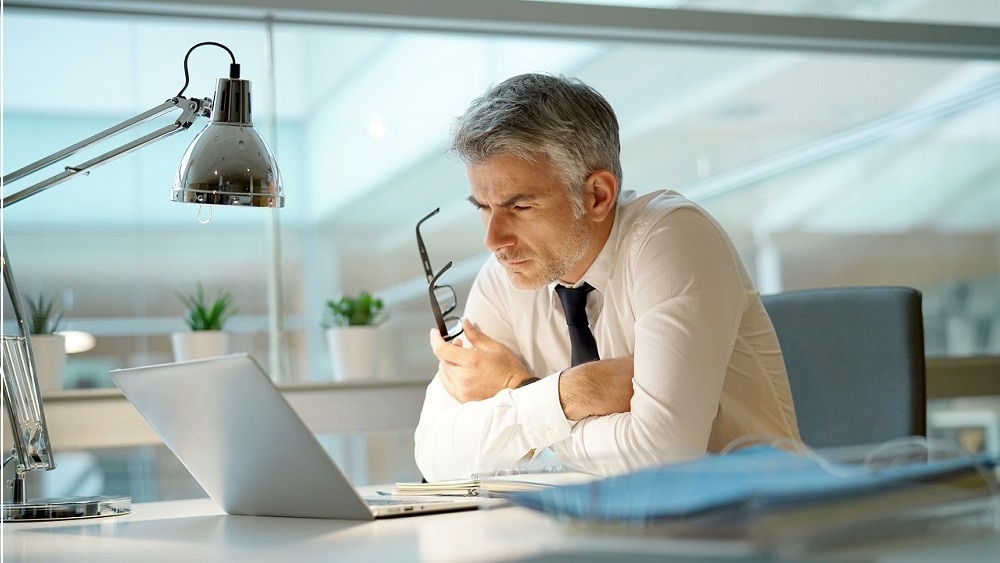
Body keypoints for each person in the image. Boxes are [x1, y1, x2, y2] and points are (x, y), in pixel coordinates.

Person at [414, 73, 799, 482]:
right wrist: (572, 392)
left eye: (520, 207)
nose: (493, 240)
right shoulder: (505, 278)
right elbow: (435, 455)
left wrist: (519, 388)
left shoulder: (672, 238)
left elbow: (663, 457)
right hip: (589, 530)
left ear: (597, 195)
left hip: (746, 524)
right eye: (484, 208)